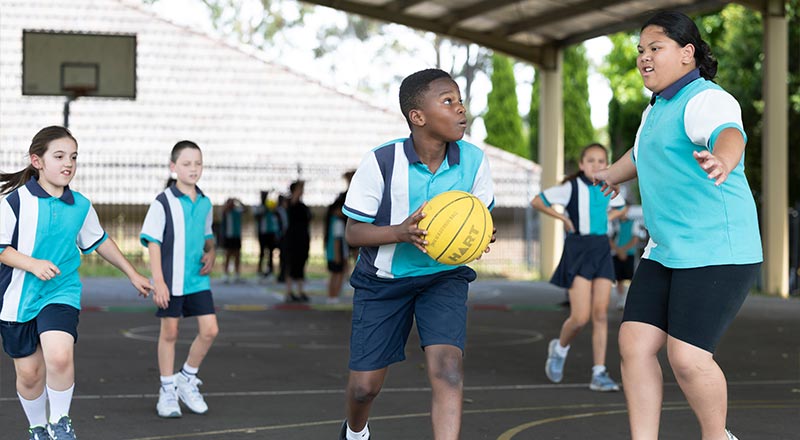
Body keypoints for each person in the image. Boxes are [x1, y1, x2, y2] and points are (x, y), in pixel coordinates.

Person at [593, 11, 762, 440]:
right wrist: (610, 175)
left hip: (718, 249)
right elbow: (639, 154)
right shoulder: (656, 109)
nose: (644, 58)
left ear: (687, 54)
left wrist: (723, 158)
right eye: (640, 51)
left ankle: (716, 436)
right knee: (634, 345)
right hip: (667, 248)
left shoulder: (706, 98)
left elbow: (730, 134)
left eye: (655, 48)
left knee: (686, 357)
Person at [339, 68, 495, 440]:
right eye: (448, 101)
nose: (461, 109)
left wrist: (480, 236)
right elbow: (353, 233)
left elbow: (480, 219)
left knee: (448, 371)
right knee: (364, 388)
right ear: (418, 117)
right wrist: (400, 232)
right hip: (383, 282)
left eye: (460, 100)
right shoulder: (382, 162)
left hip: (443, 278)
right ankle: (355, 432)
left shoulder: (473, 161)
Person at [0, 126, 152, 440]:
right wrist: (33, 264)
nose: (68, 163)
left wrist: (132, 272)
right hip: (17, 297)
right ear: (37, 161)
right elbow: (2, 249)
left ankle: (60, 423)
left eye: (73, 157)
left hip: (61, 290)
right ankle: (38, 428)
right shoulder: (15, 202)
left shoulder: (80, 205)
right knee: (29, 376)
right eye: (59, 156)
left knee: (59, 355)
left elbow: (99, 241)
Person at [531, 143, 626, 392]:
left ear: (607, 165)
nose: (596, 164)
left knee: (601, 314)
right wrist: (563, 218)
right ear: (582, 165)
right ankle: (560, 348)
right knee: (581, 317)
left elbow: (622, 207)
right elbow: (537, 201)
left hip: (601, 250)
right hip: (578, 250)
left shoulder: (608, 188)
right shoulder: (570, 188)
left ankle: (599, 373)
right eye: (591, 160)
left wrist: (609, 217)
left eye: (601, 160)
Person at [140, 140, 219, 419]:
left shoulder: (206, 202)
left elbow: (208, 237)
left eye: (198, 163)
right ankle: (167, 390)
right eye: (186, 163)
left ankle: (186, 378)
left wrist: (211, 252)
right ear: (173, 167)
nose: (193, 168)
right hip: (170, 280)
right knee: (169, 334)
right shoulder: (164, 202)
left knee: (210, 330)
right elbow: (153, 242)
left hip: (197, 280)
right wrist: (158, 281)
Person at [609, 206, 644, 310]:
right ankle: (621, 299)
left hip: (629, 253)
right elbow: (609, 238)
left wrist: (623, 250)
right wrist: (618, 250)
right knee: (618, 277)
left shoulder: (634, 223)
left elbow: (635, 239)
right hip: (616, 253)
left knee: (629, 277)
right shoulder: (614, 223)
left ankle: (628, 298)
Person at [282, 180, 311, 303]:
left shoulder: (303, 206)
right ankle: (289, 291)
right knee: (291, 264)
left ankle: (300, 290)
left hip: (303, 238)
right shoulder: (288, 203)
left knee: (301, 264)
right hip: (292, 239)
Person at [324, 193, 348, 304]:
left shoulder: (331, 221)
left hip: (331, 253)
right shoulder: (338, 222)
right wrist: (339, 256)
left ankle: (331, 295)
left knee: (333, 275)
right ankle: (333, 296)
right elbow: (337, 241)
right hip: (336, 254)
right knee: (337, 275)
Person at [253, 190, 281, 279]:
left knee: (271, 253)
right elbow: (257, 217)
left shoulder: (271, 207)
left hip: (271, 232)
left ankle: (270, 271)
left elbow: (277, 217)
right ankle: (259, 271)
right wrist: (264, 210)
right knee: (262, 253)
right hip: (263, 233)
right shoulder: (259, 207)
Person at [220, 197, 244, 283]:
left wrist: (238, 201)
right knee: (228, 255)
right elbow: (223, 211)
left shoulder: (237, 212)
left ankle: (237, 274)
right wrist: (228, 203)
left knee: (237, 255)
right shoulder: (226, 213)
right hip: (228, 236)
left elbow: (245, 210)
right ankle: (226, 274)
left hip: (236, 236)